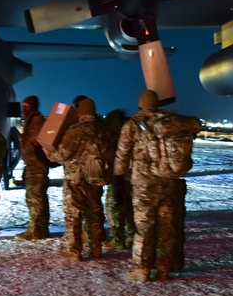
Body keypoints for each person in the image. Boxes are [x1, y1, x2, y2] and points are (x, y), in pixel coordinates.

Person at [113, 90, 183, 282]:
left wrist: (118, 179)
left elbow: (122, 155)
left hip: (144, 185)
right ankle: (163, 268)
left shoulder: (133, 125)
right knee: (167, 228)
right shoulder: (168, 123)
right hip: (168, 182)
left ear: (140, 105)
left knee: (144, 227)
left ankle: (142, 269)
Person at [47, 97, 107, 261]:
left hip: (75, 179)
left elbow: (62, 154)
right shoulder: (103, 129)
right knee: (94, 213)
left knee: (73, 214)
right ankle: (96, 249)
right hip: (95, 178)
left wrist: (49, 154)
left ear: (79, 112)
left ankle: (74, 251)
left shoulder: (75, 130)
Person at [15, 95, 50, 240]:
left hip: (37, 166)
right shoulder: (32, 121)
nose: (24, 110)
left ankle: (36, 231)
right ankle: (41, 228)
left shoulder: (36, 121)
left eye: (26, 107)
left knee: (35, 198)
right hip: (32, 165)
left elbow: (34, 142)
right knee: (37, 197)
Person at [102, 108, 131, 252]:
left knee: (113, 208)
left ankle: (118, 240)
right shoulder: (132, 132)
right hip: (133, 178)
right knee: (129, 209)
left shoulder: (114, 138)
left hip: (118, 178)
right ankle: (131, 236)